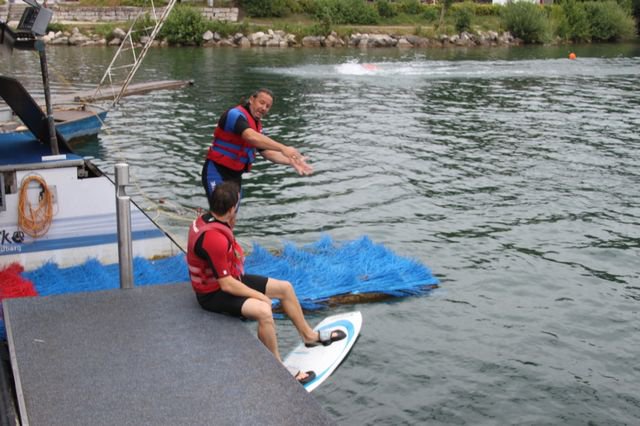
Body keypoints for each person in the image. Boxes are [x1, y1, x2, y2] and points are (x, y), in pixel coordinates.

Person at [187, 181, 345, 384]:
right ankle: (278, 369)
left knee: (285, 288)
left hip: (229, 281)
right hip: (212, 294)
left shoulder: (211, 220)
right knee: (263, 310)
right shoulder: (214, 239)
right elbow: (226, 284)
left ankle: (309, 336)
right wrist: (260, 296)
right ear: (232, 208)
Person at [201, 88, 313, 203]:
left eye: (268, 106)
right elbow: (250, 136)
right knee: (220, 207)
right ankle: (208, 220)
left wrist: (291, 161)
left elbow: (268, 152)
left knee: (231, 216)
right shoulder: (234, 115)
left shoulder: (257, 127)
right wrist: (283, 148)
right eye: (262, 102)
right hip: (216, 171)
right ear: (251, 100)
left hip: (234, 177)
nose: (264, 108)